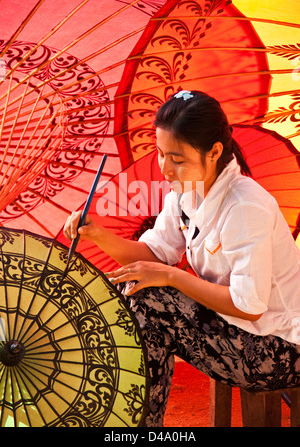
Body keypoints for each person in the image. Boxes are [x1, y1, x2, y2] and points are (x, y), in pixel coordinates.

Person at [63, 90, 300, 427]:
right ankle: (134, 421)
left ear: (215, 151)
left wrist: (173, 277)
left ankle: (136, 424)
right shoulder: (187, 191)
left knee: (150, 299)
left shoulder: (245, 207)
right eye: (160, 154)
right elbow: (154, 251)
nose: (165, 168)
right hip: (238, 330)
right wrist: (96, 233)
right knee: (137, 292)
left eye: (177, 158)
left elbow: (250, 305)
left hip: (280, 347)